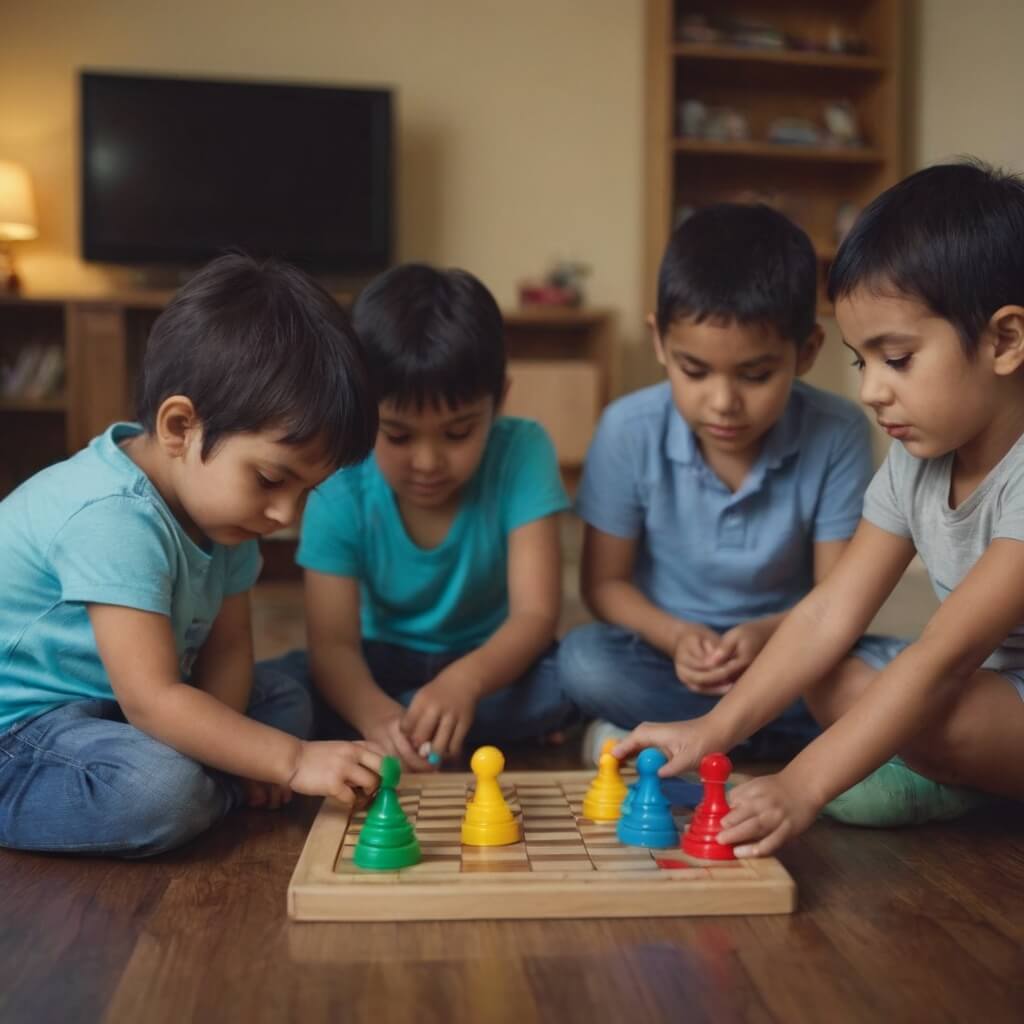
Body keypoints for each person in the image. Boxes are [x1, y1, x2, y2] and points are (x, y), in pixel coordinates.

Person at [616, 161, 1024, 855]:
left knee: (927, 701)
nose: (870, 392)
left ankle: (947, 777)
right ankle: (940, 773)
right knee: (834, 678)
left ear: (1005, 341)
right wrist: (713, 729)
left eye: (896, 359)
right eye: (862, 363)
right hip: (987, 685)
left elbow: (942, 659)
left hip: (974, 683)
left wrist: (802, 785)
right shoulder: (916, 458)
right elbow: (829, 612)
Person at [0, 254, 384, 857]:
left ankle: (213, 781)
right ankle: (207, 791)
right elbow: (151, 698)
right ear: (179, 426)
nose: (286, 516)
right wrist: (287, 761)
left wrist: (247, 747)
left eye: (305, 492)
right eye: (268, 478)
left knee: (286, 698)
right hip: (24, 733)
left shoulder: (223, 514)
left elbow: (227, 650)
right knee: (160, 788)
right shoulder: (112, 516)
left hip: (117, 713)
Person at [558, 203, 875, 764]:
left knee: (889, 671)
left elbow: (838, 599)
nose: (723, 402)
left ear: (806, 352)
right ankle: (758, 738)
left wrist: (766, 638)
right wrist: (677, 637)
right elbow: (604, 586)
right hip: (669, 657)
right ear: (660, 342)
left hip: (792, 654)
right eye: (695, 371)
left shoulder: (838, 430)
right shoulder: (628, 429)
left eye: (755, 375)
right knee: (583, 661)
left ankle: (685, 737)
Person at [268, 263, 576, 771]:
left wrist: (466, 681)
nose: (428, 462)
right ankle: (424, 726)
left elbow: (535, 617)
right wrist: (375, 715)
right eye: (398, 435)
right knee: (282, 692)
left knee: (581, 671)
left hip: (489, 662)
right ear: (363, 410)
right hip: (377, 661)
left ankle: (432, 722)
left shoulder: (523, 450)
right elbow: (334, 646)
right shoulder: (340, 474)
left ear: (499, 400)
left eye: (457, 434)